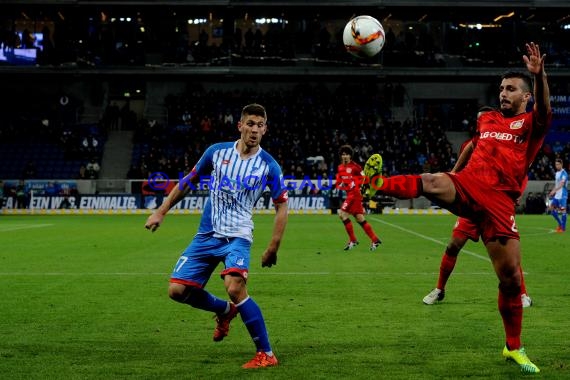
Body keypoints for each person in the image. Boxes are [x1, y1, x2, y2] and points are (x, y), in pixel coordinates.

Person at [370, 42, 550, 374]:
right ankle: (378, 184)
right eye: (501, 88)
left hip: (499, 203)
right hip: (469, 185)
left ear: (526, 97)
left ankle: (513, 347)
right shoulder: (487, 121)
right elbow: (470, 150)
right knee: (432, 181)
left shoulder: (529, 126)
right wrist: (454, 173)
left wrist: (538, 77)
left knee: (510, 279)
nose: (503, 93)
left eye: (511, 89)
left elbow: (545, 111)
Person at [144, 103, 288, 369]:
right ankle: (225, 311)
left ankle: (266, 353)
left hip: (238, 236)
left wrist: (273, 246)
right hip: (207, 234)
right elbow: (188, 181)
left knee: (235, 287)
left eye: (260, 125)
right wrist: (161, 211)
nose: (254, 130)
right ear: (240, 126)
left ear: (265, 129)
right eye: (250, 124)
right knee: (177, 291)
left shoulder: (269, 166)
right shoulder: (217, 152)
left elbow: (282, 205)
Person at [423, 107, 532, 308]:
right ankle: (439, 289)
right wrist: (453, 173)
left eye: (483, 119)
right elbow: (468, 150)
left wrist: (515, 194)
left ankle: (522, 294)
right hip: (472, 203)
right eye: (478, 119)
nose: (481, 123)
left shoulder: (505, 141)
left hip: (496, 206)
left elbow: (521, 171)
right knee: (453, 245)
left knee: (508, 254)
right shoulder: (475, 142)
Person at [335, 145, 382, 251]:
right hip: (350, 194)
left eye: (347, 154)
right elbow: (342, 181)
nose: (345, 156)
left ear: (350, 156)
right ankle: (375, 239)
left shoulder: (356, 167)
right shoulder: (340, 167)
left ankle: (353, 239)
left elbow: (364, 179)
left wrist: (357, 184)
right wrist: (342, 184)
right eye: (343, 154)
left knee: (342, 214)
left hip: (355, 194)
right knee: (359, 218)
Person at [547, 158, 568, 232]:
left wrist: (554, 191)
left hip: (563, 194)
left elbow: (562, 184)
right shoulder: (556, 173)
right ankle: (560, 223)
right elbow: (556, 184)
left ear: (561, 164)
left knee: (563, 211)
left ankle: (563, 228)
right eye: (556, 164)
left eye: (558, 164)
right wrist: (552, 191)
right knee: (551, 209)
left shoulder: (564, 173)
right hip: (557, 195)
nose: (557, 166)